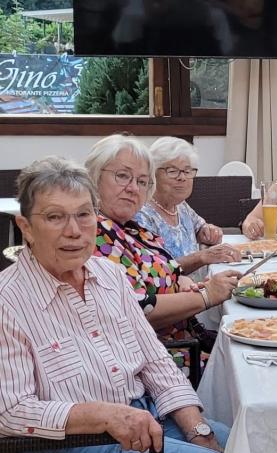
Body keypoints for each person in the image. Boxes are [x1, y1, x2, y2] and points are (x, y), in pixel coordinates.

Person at [0, 156, 229, 452]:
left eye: (84, 214)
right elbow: (10, 410)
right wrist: (104, 416)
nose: (73, 230)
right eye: (55, 217)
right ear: (26, 227)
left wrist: (197, 430)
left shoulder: (110, 275)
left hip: (144, 413)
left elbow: (155, 360)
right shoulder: (8, 301)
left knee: (246, 439)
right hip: (76, 439)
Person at [85, 134, 240, 355]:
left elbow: (162, 270)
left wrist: (182, 280)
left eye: (141, 181)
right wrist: (206, 296)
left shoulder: (129, 228)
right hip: (162, 356)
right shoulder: (98, 234)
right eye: (122, 176)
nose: (133, 188)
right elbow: (136, 309)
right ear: (94, 177)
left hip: (187, 338)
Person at [134, 136, 240, 280]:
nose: (182, 177)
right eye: (172, 171)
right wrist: (202, 256)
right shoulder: (141, 215)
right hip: (176, 298)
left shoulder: (181, 206)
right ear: (152, 174)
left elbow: (200, 227)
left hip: (203, 290)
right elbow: (154, 271)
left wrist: (207, 230)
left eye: (187, 171)